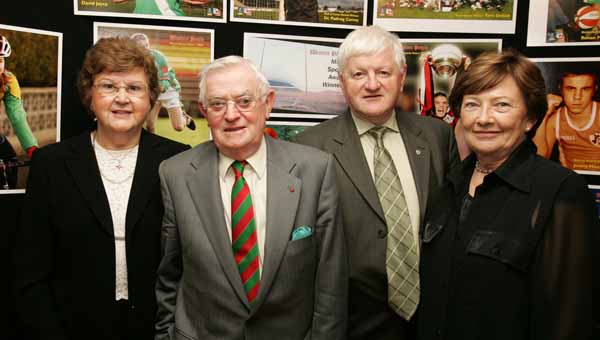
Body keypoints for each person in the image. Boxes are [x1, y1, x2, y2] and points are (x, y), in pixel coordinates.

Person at [154, 56, 347, 340]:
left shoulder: (315, 171)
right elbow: (169, 277)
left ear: (267, 103)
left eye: (244, 101)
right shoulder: (176, 174)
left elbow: (331, 285)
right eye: (218, 104)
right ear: (205, 111)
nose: (231, 115)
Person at [13, 37, 188, 340]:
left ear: (150, 99)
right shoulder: (51, 165)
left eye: (134, 88)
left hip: (159, 330)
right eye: (108, 86)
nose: (122, 98)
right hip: (72, 328)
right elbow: (31, 271)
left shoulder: (178, 161)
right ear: (89, 95)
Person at [418, 50, 597, 340]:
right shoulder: (450, 183)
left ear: (530, 118)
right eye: (472, 104)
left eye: (501, 105)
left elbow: (570, 320)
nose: (484, 118)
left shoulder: (561, 191)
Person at [294, 25, 458, 339]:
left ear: (401, 76)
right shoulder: (309, 147)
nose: (372, 85)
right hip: (350, 321)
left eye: (383, 72)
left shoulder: (437, 136)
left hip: (431, 320)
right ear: (342, 82)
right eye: (358, 75)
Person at [533, 69, 600, 172]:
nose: (577, 96)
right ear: (561, 89)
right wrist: (544, 114)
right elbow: (539, 158)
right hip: (572, 183)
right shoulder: (555, 119)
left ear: (594, 90)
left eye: (585, 89)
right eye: (570, 89)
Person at [130, 33, 195, 134]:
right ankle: (153, 148)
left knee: (178, 127)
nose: (146, 49)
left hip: (168, 90)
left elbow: (166, 74)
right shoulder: (133, 61)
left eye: (147, 45)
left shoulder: (159, 57)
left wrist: (163, 85)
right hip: (153, 93)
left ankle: (185, 119)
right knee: (150, 126)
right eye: (142, 47)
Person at [0, 35, 38, 159]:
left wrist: (31, 147)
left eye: (0, 60)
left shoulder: (8, 81)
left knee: (11, 160)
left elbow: (17, 116)